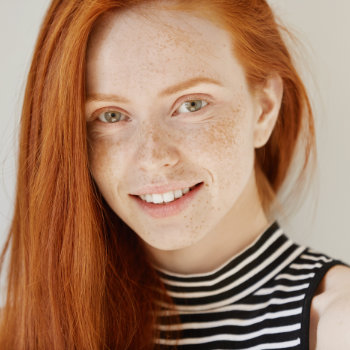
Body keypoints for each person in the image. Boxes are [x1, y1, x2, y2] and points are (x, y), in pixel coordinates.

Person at [0, 0, 349, 349]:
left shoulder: (336, 327)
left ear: (264, 108)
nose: (153, 159)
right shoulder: (22, 334)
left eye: (192, 104)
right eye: (110, 116)